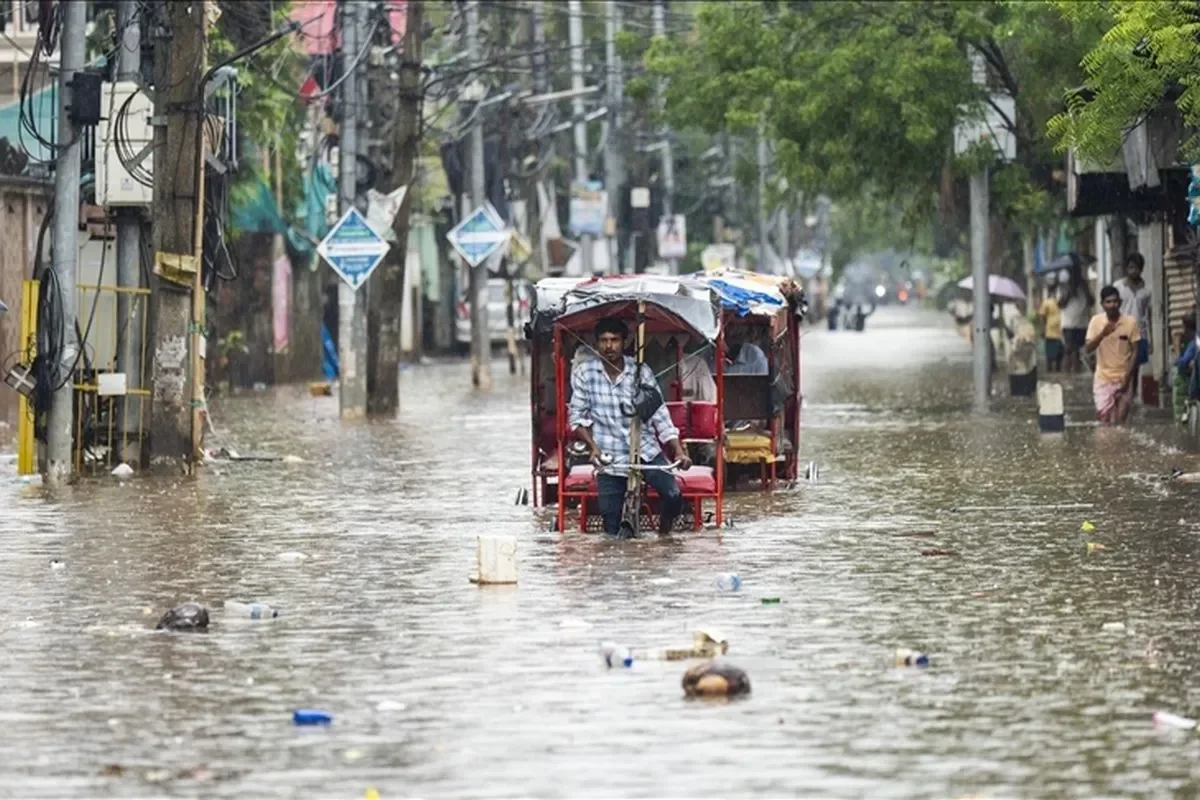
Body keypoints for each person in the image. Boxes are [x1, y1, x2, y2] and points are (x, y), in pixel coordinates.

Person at [569, 318, 692, 536]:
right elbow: (577, 417)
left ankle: (665, 537)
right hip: (609, 454)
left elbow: (659, 414)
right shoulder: (585, 373)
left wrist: (679, 451)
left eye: (614, 340)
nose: (609, 346)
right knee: (611, 525)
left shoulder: (640, 372)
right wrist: (592, 447)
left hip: (644, 449)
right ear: (596, 343)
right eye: (604, 341)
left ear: (624, 342)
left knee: (673, 494)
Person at [1086, 285, 1140, 425]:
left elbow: (1135, 351)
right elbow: (1088, 348)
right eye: (1108, 302)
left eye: (1115, 301)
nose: (1112, 305)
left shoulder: (1130, 322)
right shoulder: (1096, 322)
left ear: (1120, 303)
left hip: (1124, 379)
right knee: (1105, 423)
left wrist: (1128, 377)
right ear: (1102, 304)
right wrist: (1103, 334)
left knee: (1119, 424)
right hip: (1103, 379)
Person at [1114, 252, 1152, 399]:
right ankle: (1121, 394)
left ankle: (1133, 395)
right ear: (1126, 268)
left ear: (1141, 270)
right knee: (1122, 365)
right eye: (1130, 267)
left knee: (1135, 367)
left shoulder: (1146, 291)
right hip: (1122, 333)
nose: (1133, 271)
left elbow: (1148, 315)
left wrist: (1151, 340)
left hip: (1140, 333)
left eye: (1136, 268)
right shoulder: (1118, 287)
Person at [1060, 261, 1095, 374]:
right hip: (1068, 323)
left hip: (1081, 323)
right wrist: (1069, 293)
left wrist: (1085, 289)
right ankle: (1067, 375)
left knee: (1078, 350)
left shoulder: (1084, 285)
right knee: (1069, 349)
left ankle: (1076, 373)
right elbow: (1060, 304)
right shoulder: (1065, 286)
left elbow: (1091, 301)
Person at [1173, 311, 1197, 425]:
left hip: (1188, 386)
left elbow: (1181, 364)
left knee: (1182, 418)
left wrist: (1177, 347)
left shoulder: (1193, 344)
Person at [1038, 284, 1064, 373]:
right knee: (1050, 355)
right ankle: (1050, 370)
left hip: (1060, 332)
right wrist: (1042, 329)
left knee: (1059, 356)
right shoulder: (1047, 302)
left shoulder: (1062, 301)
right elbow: (1042, 316)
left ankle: (1056, 371)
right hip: (1050, 332)